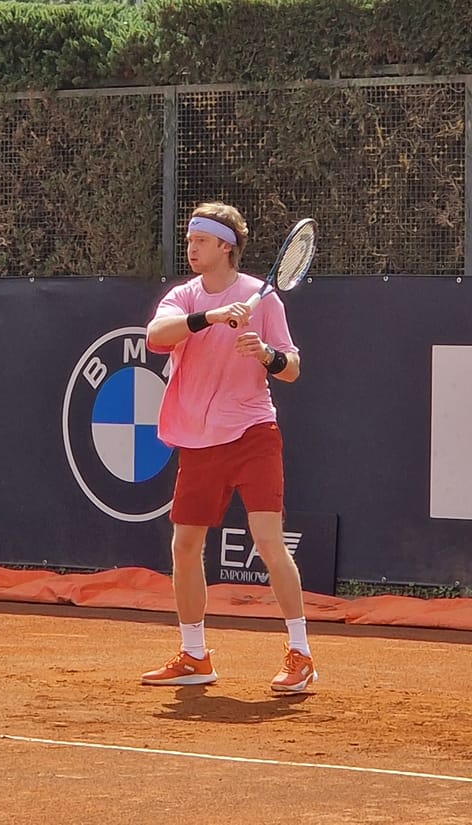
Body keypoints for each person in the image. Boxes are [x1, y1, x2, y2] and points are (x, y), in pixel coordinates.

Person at [142, 201, 316, 693]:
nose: (191, 248)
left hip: (253, 433)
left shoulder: (264, 300)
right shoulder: (183, 296)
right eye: (190, 240)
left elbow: (292, 368)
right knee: (185, 546)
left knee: (267, 541)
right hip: (198, 439)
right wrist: (209, 317)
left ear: (226, 247)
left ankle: (300, 653)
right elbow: (157, 336)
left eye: (200, 241)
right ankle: (195, 655)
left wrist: (264, 352)